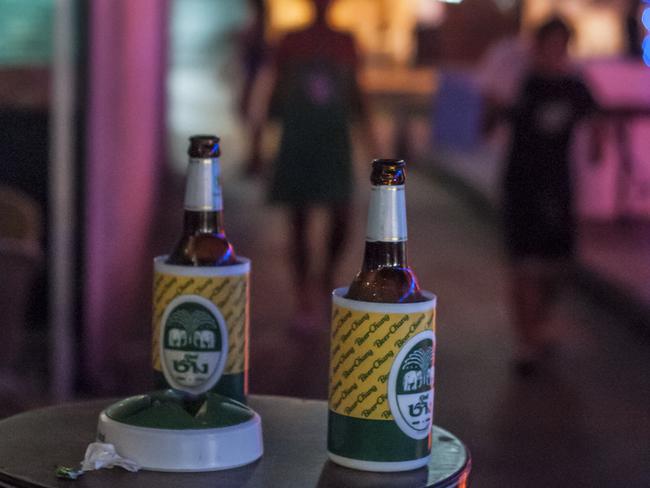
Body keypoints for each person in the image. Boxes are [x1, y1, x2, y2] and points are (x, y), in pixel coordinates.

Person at [254, 0, 374, 326]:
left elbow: (357, 96)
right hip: (299, 140)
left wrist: (371, 144)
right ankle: (303, 295)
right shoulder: (290, 41)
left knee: (342, 217)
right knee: (299, 221)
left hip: (334, 142)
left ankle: (324, 279)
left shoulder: (345, 42)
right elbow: (275, 91)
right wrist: (258, 140)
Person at [502, 18, 599, 375]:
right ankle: (526, 341)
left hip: (559, 187)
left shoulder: (574, 85)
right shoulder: (521, 80)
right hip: (521, 184)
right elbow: (490, 116)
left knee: (559, 266)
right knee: (524, 264)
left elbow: (596, 117)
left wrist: (597, 150)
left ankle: (538, 324)